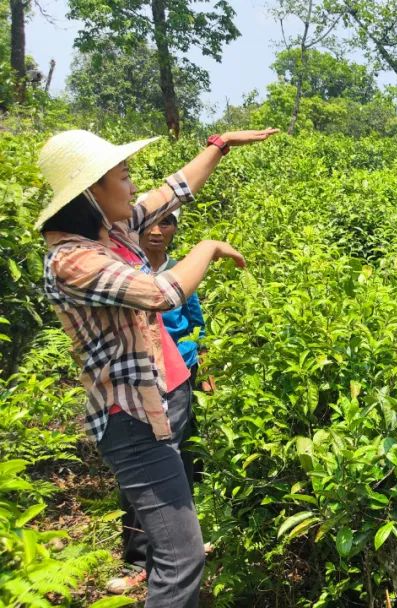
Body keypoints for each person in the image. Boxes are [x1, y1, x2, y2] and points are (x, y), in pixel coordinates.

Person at [37, 127, 277, 607]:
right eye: (123, 177)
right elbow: (161, 294)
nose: (132, 186)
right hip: (131, 421)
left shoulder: (113, 232)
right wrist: (207, 246)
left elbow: (174, 190)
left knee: (179, 553)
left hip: (161, 401)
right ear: (91, 192)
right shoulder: (72, 260)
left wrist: (219, 146)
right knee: (180, 558)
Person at [106, 209, 209, 594]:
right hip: (136, 378)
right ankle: (140, 558)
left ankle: (178, 549)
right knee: (143, 468)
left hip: (179, 372)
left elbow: (195, 322)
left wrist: (200, 358)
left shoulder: (182, 270)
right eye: (150, 223)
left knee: (175, 458)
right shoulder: (122, 270)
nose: (157, 230)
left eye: (167, 223)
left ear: (175, 230)